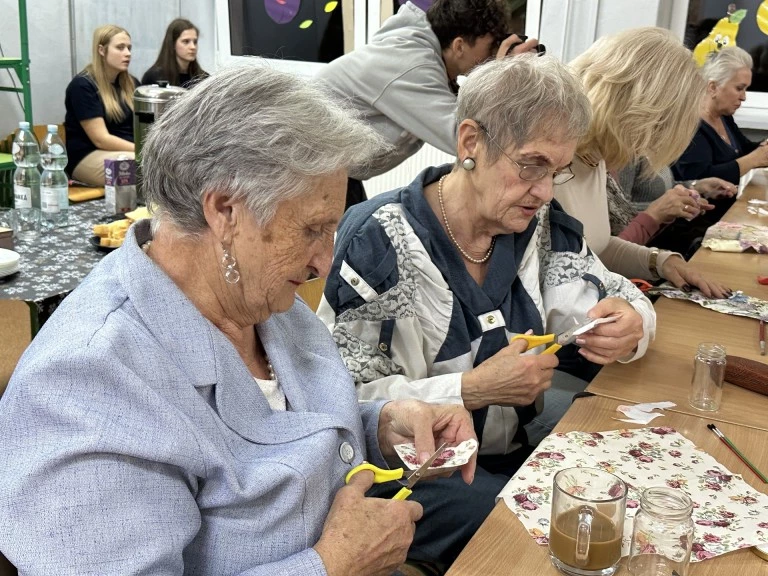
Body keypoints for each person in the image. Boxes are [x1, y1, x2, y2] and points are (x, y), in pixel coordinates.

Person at [0, 64, 481, 574]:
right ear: (225, 211)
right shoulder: (90, 382)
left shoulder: (261, 300)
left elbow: (278, 422)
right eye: (314, 229)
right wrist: (331, 564)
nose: (325, 261)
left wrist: (381, 427)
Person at [318, 55, 655, 474]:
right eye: (532, 166)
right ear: (471, 142)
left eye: (557, 171)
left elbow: (618, 298)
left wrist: (631, 323)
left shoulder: (538, 228)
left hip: (514, 459)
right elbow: (341, 401)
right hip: (420, 479)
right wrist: (471, 390)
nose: (546, 192)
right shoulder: (381, 242)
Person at [556, 27, 731, 299]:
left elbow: (594, 249)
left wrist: (661, 261)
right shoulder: (551, 165)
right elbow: (562, 276)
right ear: (632, 109)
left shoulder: (594, 159)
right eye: (651, 132)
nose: (642, 150)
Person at [316, 0, 539, 209]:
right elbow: (467, 138)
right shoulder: (411, 66)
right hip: (305, 163)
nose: (491, 55)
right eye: (490, 46)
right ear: (459, 46)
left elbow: (472, 116)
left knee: (356, 239)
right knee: (352, 240)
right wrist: (500, 75)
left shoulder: (426, 56)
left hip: (332, 166)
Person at [673, 47, 768, 186]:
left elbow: (744, 149)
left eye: (746, 89)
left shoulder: (723, 116)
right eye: (739, 88)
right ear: (713, 87)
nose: (744, 97)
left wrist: (764, 148)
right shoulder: (690, 124)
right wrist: (754, 159)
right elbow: (698, 179)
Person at [64, 24, 136, 186]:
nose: (127, 53)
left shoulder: (131, 84)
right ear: (102, 50)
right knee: (141, 167)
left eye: (129, 48)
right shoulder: (82, 86)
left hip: (127, 151)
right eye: (120, 47)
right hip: (88, 156)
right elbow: (101, 139)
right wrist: (143, 151)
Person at [142, 18, 209, 88]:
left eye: (195, 42)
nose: (193, 47)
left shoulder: (204, 79)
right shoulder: (154, 77)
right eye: (186, 41)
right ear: (173, 44)